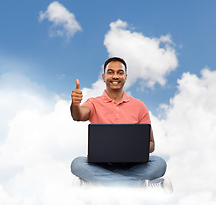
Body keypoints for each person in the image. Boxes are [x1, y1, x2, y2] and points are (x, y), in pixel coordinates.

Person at [70, 57, 173, 193]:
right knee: (77, 164)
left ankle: (102, 182)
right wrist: (75, 104)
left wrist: (136, 149)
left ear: (125, 77)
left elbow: (151, 144)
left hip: (133, 165)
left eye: (120, 73)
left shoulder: (139, 106)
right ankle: (138, 185)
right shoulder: (93, 103)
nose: (115, 76)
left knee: (159, 164)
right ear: (104, 77)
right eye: (111, 72)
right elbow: (78, 116)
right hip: (101, 165)